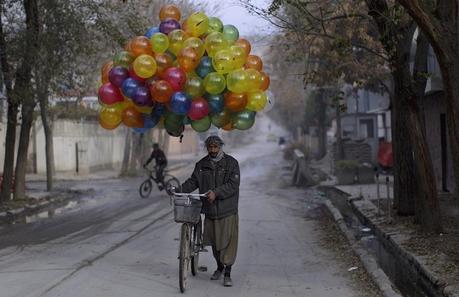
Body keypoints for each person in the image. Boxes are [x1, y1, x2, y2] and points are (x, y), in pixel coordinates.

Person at [179, 135, 240, 287]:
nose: (213, 150)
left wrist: (216, 192)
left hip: (227, 210)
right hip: (210, 211)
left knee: (228, 243)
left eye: (215, 147)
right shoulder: (201, 165)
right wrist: (179, 190)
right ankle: (219, 267)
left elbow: (233, 185)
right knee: (215, 243)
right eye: (210, 147)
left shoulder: (231, 163)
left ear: (220, 147)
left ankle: (227, 273)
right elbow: (193, 181)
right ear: (207, 148)